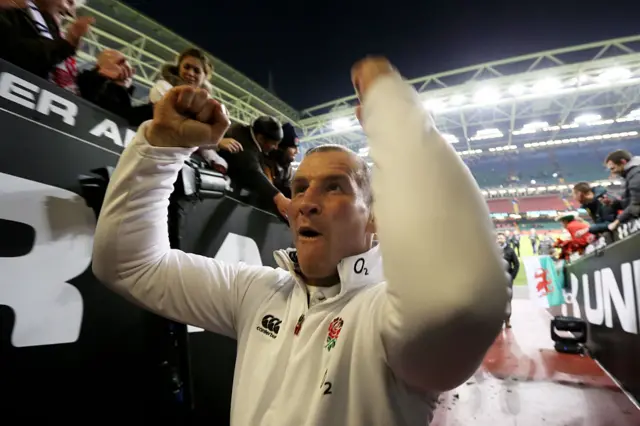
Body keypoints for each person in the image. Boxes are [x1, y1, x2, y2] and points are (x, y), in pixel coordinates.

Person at [92, 57, 508, 425]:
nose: (305, 202)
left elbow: (465, 297)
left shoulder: (385, 319)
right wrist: (159, 150)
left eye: (334, 188)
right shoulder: (255, 291)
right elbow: (128, 264)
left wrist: (398, 119)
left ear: (377, 218)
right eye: (301, 186)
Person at [149, 47, 239, 172]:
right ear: (179, 67)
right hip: (155, 155)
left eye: (196, 71)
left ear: (204, 77)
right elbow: (171, 129)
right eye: (186, 67)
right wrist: (216, 142)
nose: (190, 73)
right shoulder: (162, 87)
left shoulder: (207, 104)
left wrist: (214, 157)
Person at [0, 0, 93, 92]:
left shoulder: (52, 29)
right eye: (69, 1)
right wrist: (65, 46)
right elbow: (18, 54)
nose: (70, 13)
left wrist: (99, 76)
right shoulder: (8, 9)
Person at [218, 116, 291, 217]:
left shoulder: (245, 133)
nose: (275, 148)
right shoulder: (242, 143)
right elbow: (253, 172)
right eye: (274, 144)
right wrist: (279, 198)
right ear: (260, 138)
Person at [604, 150, 640, 232]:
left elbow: (637, 203)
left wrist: (618, 221)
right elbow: (630, 201)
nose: (612, 172)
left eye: (613, 168)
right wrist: (613, 203)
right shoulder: (630, 175)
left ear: (623, 162)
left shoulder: (636, 175)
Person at [264, 122, 299, 198]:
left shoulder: (286, 167)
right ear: (281, 148)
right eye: (293, 147)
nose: (297, 151)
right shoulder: (266, 164)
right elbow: (267, 194)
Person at [497, 233, 519, 329]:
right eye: (498, 238)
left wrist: (512, 276)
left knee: (508, 300)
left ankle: (507, 320)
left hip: (507, 279)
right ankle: (499, 320)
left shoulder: (510, 250)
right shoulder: (493, 250)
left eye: (501, 237)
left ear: (505, 239)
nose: (499, 239)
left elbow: (516, 264)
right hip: (496, 279)